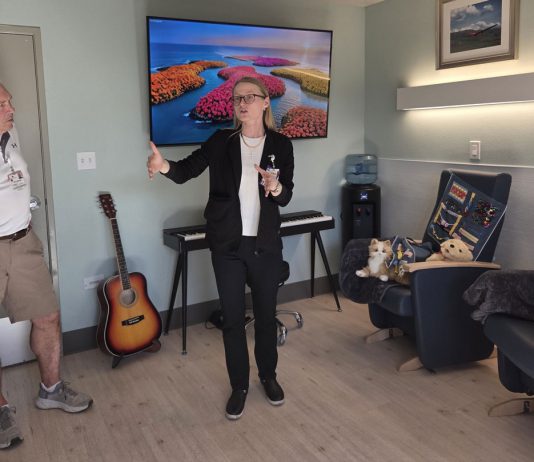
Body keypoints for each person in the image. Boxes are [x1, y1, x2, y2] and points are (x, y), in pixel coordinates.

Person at [147, 76, 294, 420]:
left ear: (265, 102)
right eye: (237, 97)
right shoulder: (220, 141)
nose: (242, 103)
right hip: (228, 245)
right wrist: (162, 165)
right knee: (232, 320)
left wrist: (274, 187)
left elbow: (286, 196)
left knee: (265, 318)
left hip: (265, 245)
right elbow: (186, 171)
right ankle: (239, 386)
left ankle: (268, 376)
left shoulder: (281, 144)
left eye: (250, 97)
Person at [0, 83, 93, 450]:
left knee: (48, 317)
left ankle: (51, 390)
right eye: (2, 104)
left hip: (23, 242)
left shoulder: (11, 134)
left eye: (9, 101)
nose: (11, 109)